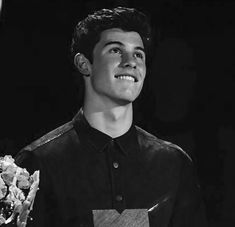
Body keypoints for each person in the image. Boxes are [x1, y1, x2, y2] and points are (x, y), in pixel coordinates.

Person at [13, 6, 207, 227]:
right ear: (84, 64)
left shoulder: (174, 164)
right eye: (115, 50)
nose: (131, 62)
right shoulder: (39, 162)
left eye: (138, 54)